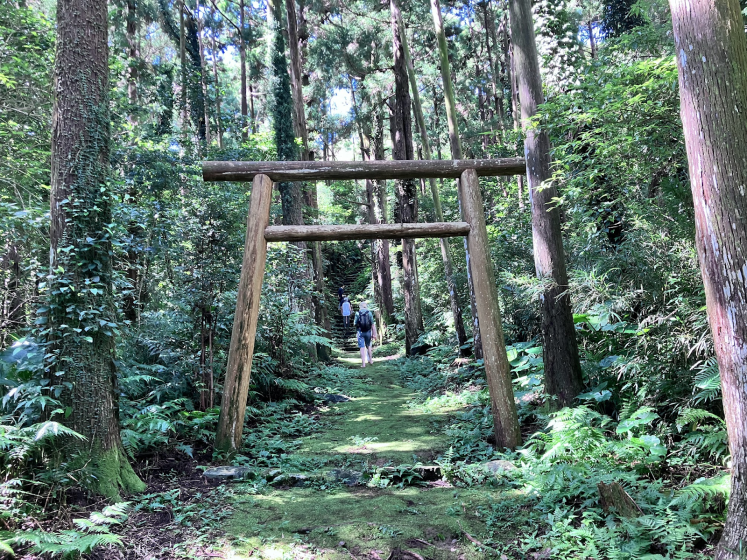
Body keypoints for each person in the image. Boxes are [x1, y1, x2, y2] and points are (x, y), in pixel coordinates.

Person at [353, 302, 377, 368]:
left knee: (362, 347)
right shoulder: (369, 313)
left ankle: (363, 364)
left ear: (360, 307)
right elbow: (372, 325)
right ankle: (371, 360)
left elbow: (355, 323)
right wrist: (374, 334)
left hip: (360, 332)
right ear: (366, 306)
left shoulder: (357, 313)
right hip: (368, 332)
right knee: (369, 346)